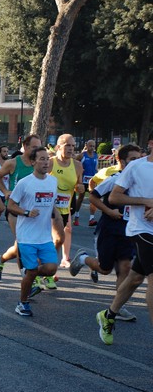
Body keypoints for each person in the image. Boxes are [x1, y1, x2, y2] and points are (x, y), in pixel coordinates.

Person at [70, 144, 141, 321]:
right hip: (109, 229)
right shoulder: (114, 179)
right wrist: (109, 211)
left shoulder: (141, 182)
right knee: (105, 268)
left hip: (129, 230)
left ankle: (118, 307)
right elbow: (93, 196)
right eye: (132, 159)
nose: (136, 163)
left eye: (138, 159)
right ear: (121, 161)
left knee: (125, 267)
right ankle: (82, 258)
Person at [96, 133, 153, 345]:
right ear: (151, 144)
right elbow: (114, 197)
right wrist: (145, 201)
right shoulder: (136, 167)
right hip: (142, 229)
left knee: (136, 278)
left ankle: (108, 315)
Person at [7, 146, 59, 316]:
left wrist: (57, 221)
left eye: (47, 159)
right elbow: (11, 205)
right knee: (31, 272)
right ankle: (22, 303)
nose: (46, 162)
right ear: (33, 162)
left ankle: (29, 273)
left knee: (51, 268)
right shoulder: (24, 183)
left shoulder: (53, 182)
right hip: (26, 236)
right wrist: (27, 212)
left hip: (44, 236)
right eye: (42, 159)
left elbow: (52, 205)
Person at [0, 135, 42, 282]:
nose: (37, 150)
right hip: (15, 209)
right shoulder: (13, 163)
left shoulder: (40, 163)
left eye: (39, 147)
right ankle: (28, 280)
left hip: (33, 211)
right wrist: (6, 192)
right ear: (25, 147)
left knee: (26, 244)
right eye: (34, 147)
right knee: (23, 244)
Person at [49, 134, 84, 277]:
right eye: (67, 145)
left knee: (58, 239)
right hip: (48, 208)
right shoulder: (51, 163)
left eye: (73, 146)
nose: (71, 149)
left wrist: (80, 188)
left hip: (64, 207)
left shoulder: (77, 165)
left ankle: (45, 268)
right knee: (55, 238)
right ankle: (47, 272)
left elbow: (78, 185)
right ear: (59, 146)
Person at [74, 140, 98, 226]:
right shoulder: (82, 155)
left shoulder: (96, 155)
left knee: (93, 198)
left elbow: (96, 167)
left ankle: (91, 218)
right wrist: (79, 172)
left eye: (93, 146)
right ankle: (76, 216)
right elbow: (74, 163)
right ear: (86, 146)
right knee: (81, 198)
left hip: (92, 180)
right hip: (83, 180)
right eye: (90, 146)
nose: (92, 148)